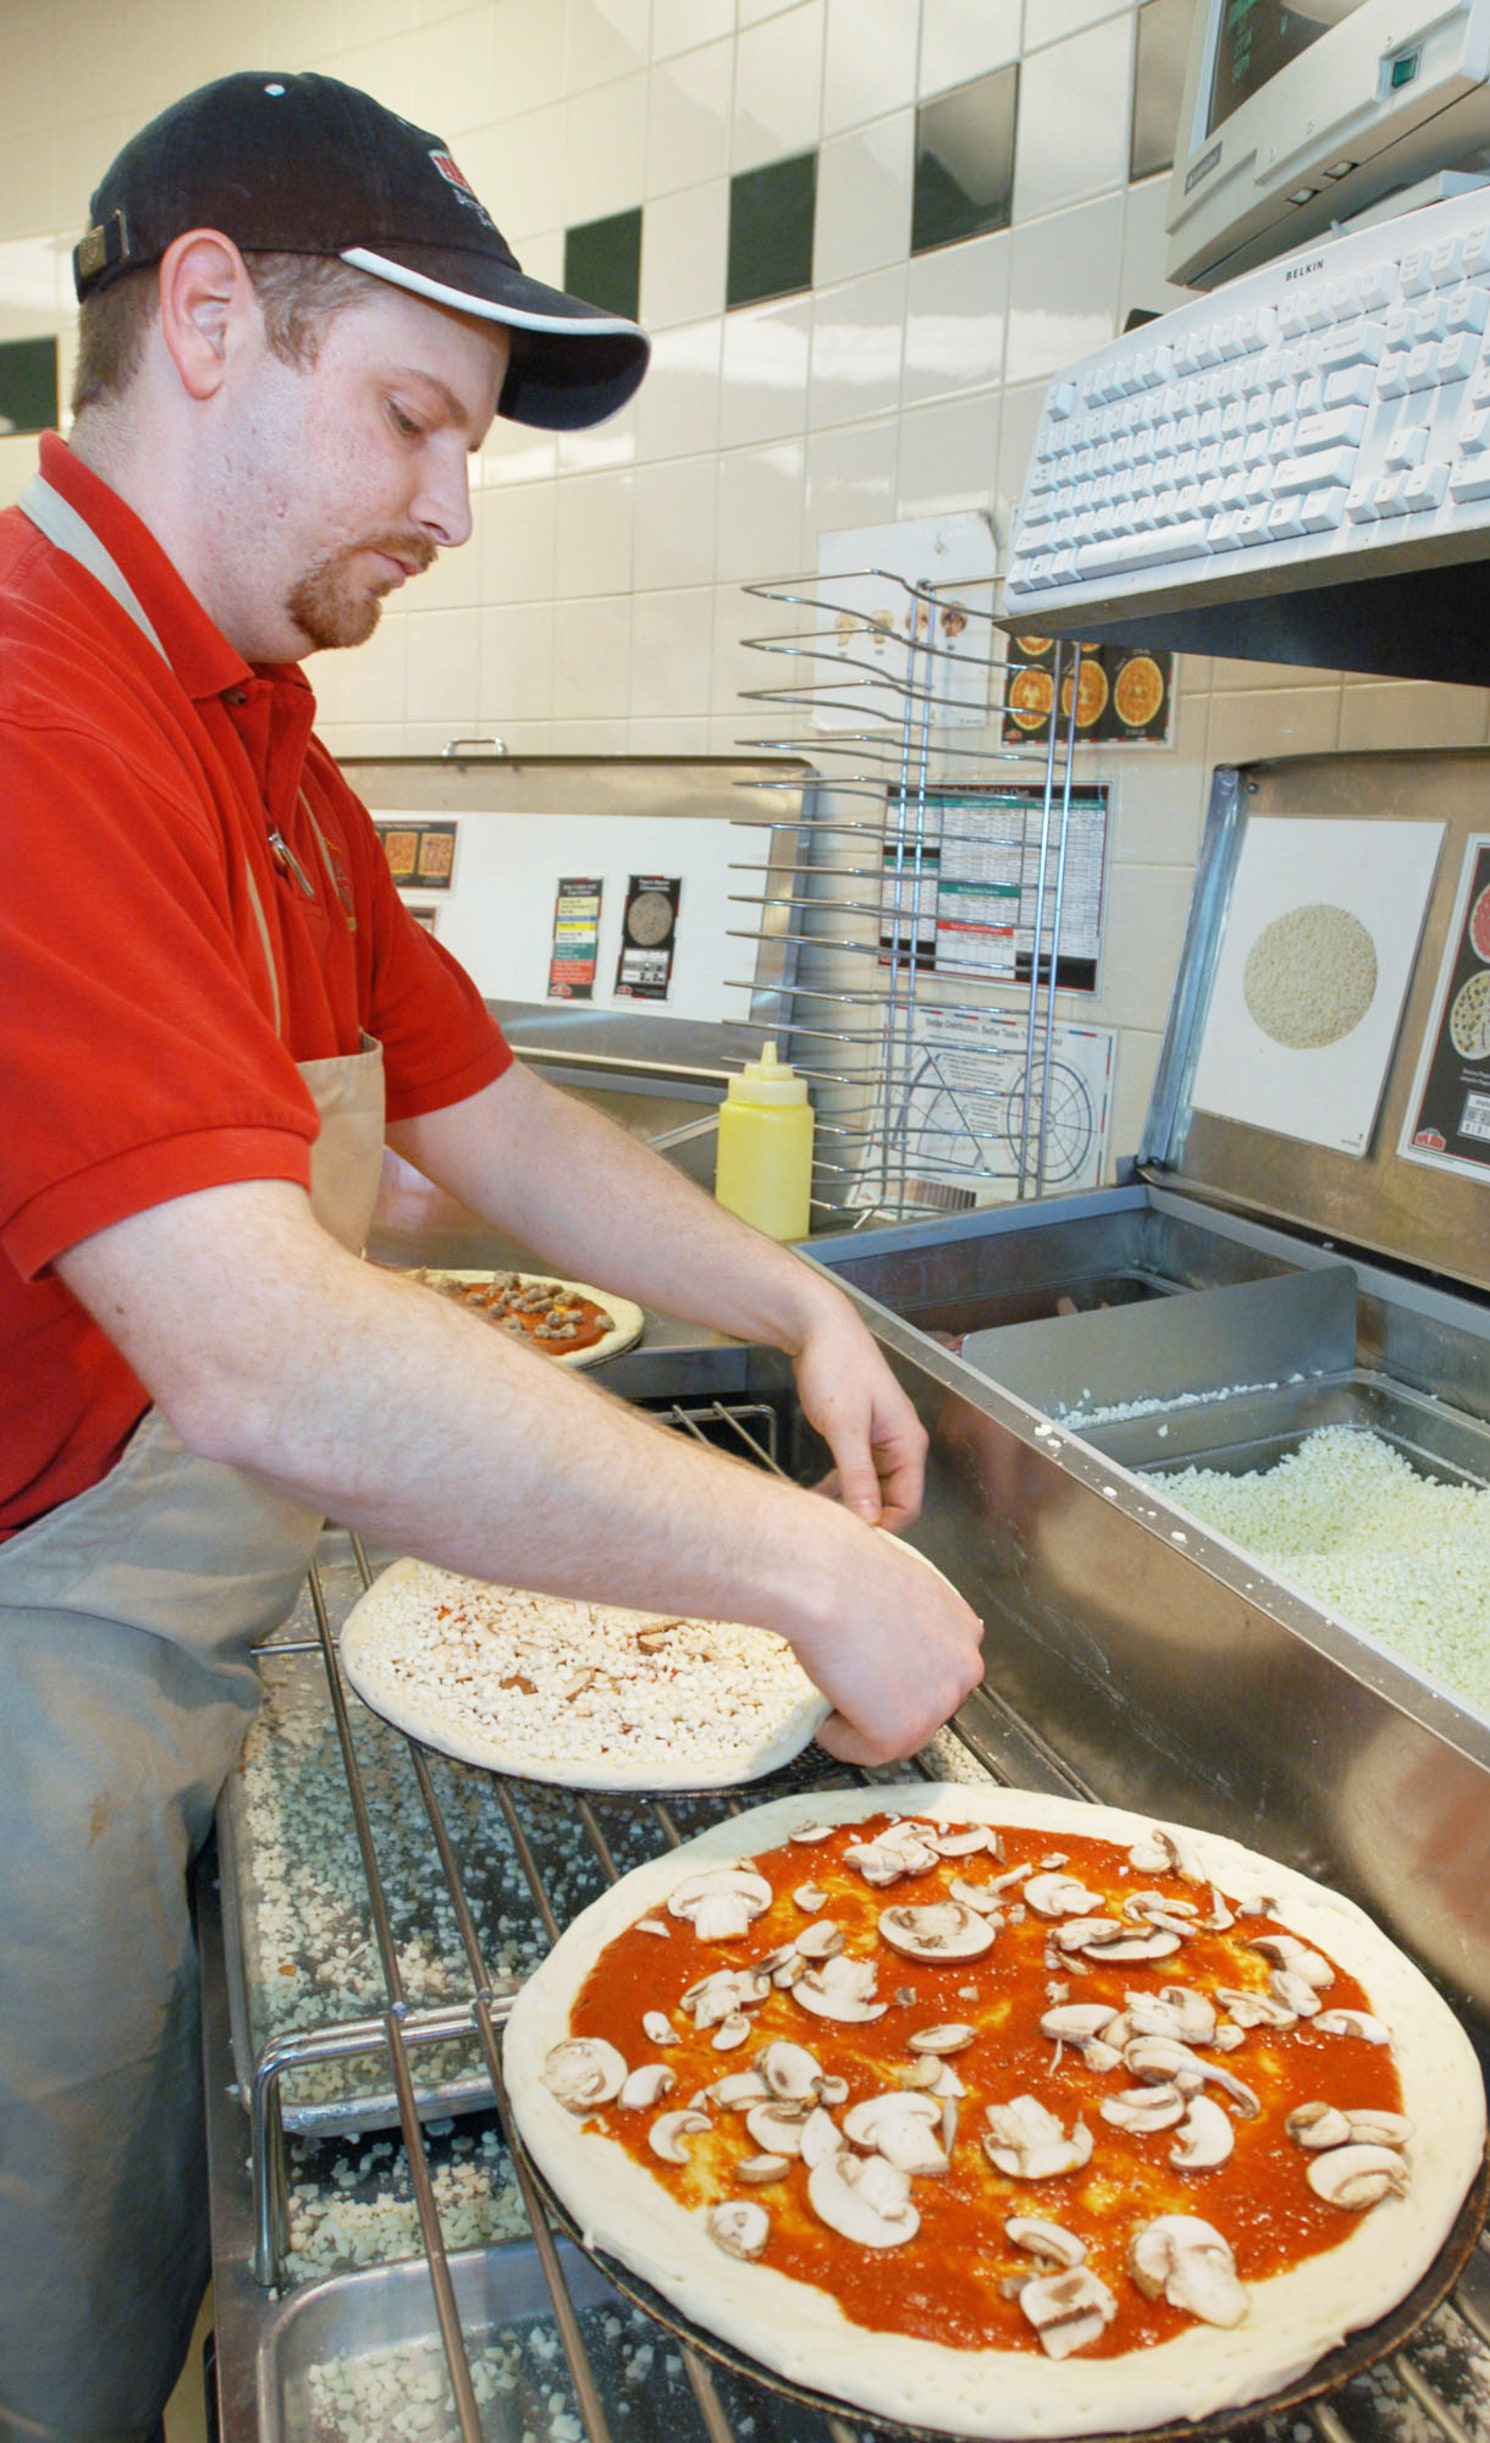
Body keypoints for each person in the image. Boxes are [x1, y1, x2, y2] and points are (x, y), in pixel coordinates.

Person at [0, 71, 985, 2443]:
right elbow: (252, 1349)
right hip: (39, 1645)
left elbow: (497, 1117)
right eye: (418, 419)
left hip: (207, 1602)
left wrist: (793, 1302)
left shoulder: (261, 733)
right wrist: (805, 1573)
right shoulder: (38, 708)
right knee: (46, 2302)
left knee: (148, 2240)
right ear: (211, 322)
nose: (454, 505)